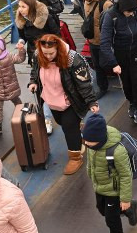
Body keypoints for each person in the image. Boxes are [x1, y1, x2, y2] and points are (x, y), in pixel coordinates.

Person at [28, 34, 100, 175]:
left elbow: (83, 83)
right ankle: (77, 130)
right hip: (52, 99)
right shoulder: (38, 55)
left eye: (51, 53)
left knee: (68, 126)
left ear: (58, 49)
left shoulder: (73, 59)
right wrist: (33, 82)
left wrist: (91, 101)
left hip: (71, 100)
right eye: (45, 53)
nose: (48, 57)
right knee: (60, 121)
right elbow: (35, 70)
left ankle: (75, 157)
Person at [82, 114, 137, 233]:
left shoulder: (116, 151)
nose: (85, 143)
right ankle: (129, 209)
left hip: (113, 190)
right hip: (99, 187)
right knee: (102, 211)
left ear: (99, 139)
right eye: (85, 139)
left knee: (111, 218)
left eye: (89, 140)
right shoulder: (91, 146)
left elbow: (126, 175)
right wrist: (91, 176)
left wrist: (124, 198)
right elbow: (91, 163)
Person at [100, 0, 137, 125]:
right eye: (128, 11)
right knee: (126, 80)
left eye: (133, 11)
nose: (131, 14)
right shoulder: (111, 16)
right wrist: (113, 63)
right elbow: (105, 42)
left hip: (135, 50)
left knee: (136, 79)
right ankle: (131, 102)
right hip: (121, 52)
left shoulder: (133, 12)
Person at [79, 0, 114, 98]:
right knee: (97, 65)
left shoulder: (105, 4)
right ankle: (103, 87)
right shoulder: (85, 2)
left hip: (105, 42)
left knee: (106, 63)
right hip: (92, 40)